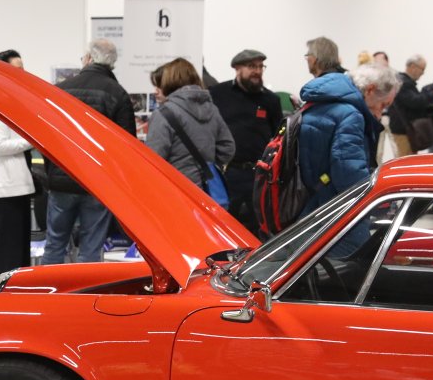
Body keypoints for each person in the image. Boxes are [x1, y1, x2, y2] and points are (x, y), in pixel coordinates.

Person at [40, 40, 136, 264]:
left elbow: (46, 136)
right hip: (99, 184)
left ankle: (47, 286)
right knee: (91, 249)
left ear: (90, 58)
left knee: (54, 244)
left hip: (62, 180)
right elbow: (126, 146)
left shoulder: (61, 89)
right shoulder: (118, 94)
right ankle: (86, 288)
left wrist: (52, 172)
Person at [297, 37, 397, 214]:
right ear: (370, 89)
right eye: (383, 105)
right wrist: (383, 204)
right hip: (333, 213)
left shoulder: (325, 100)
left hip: (309, 206)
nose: (380, 114)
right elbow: (350, 177)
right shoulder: (351, 116)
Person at [210, 49, 284, 233]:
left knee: (259, 227)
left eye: (260, 66)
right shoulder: (217, 94)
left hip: (258, 175)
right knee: (223, 226)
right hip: (228, 173)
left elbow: (279, 137)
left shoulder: (271, 100)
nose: (257, 71)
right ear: (237, 68)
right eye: (252, 66)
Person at [0, 50, 37, 289]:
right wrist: (32, 140)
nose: (22, 73)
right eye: (17, 68)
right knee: (7, 251)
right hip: (5, 187)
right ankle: (0, 297)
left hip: (18, 186)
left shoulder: (13, 101)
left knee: (19, 250)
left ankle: (17, 295)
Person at [146, 57, 235, 192]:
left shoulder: (163, 114)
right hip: (206, 190)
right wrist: (208, 165)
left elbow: (153, 159)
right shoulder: (212, 110)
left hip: (175, 190)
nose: (155, 91)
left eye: (159, 84)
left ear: (170, 82)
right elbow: (228, 147)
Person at [387, 55, 433, 155]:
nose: (423, 73)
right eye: (422, 69)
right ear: (412, 66)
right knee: (405, 160)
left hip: (405, 129)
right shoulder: (403, 83)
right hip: (402, 130)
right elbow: (414, 102)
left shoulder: (403, 81)